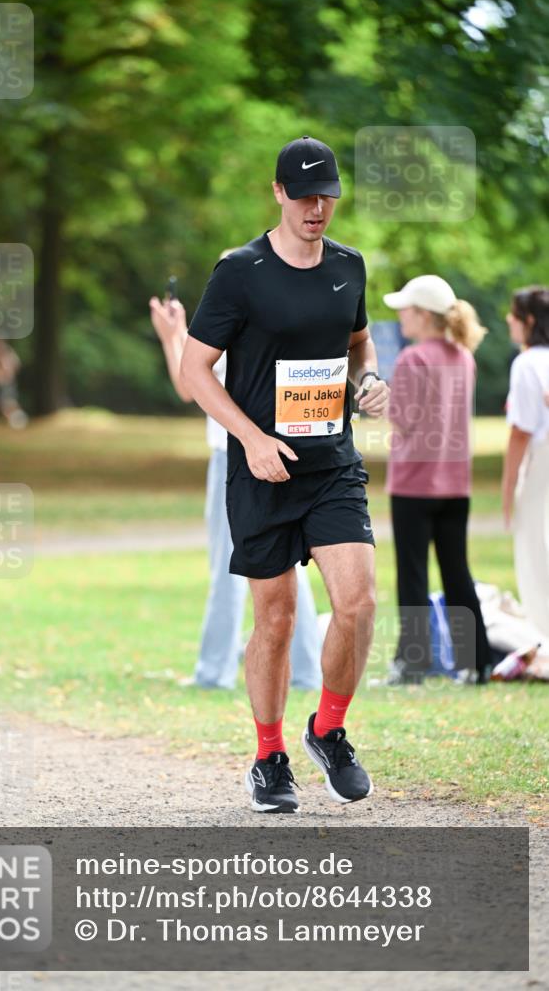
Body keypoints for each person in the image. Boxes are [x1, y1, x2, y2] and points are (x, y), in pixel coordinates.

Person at [180, 136, 388, 813]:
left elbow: (359, 343)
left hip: (331, 464)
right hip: (262, 472)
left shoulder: (348, 266)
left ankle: (327, 730)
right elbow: (193, 370)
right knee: (275, 620)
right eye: (303, 196)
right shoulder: (239, 272)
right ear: (277, 194)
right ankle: (269, 756)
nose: (316, 208)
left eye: (326, 195)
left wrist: (371, 378)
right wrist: (249, 438)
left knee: (356, 605)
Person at [149, 288, 322, 690]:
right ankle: (308, 669)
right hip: (279, 452)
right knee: (287, 562)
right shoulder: (276, 326)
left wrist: (169, 336)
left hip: (233, 457)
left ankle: (214, 673)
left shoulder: (228, 325)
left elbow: (188, 385)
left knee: (226, 567)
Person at [383, 275, 492, 684]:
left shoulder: (413, 359)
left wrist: (381, 401)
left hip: (414, 483)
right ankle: (478, 662)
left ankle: (413, 664)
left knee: (412, 573)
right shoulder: (463, 356)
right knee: (456, 571)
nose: (400, 317)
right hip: (454, 483)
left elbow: (406, 420)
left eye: (405, 310)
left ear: (423, 315)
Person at [502, 286, 549, 637]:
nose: (508, 319)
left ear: (529, 321)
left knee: (536, 554)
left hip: (539, 464)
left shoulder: (526, 363)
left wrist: (508, 491)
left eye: (514, 314)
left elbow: (521, 433)